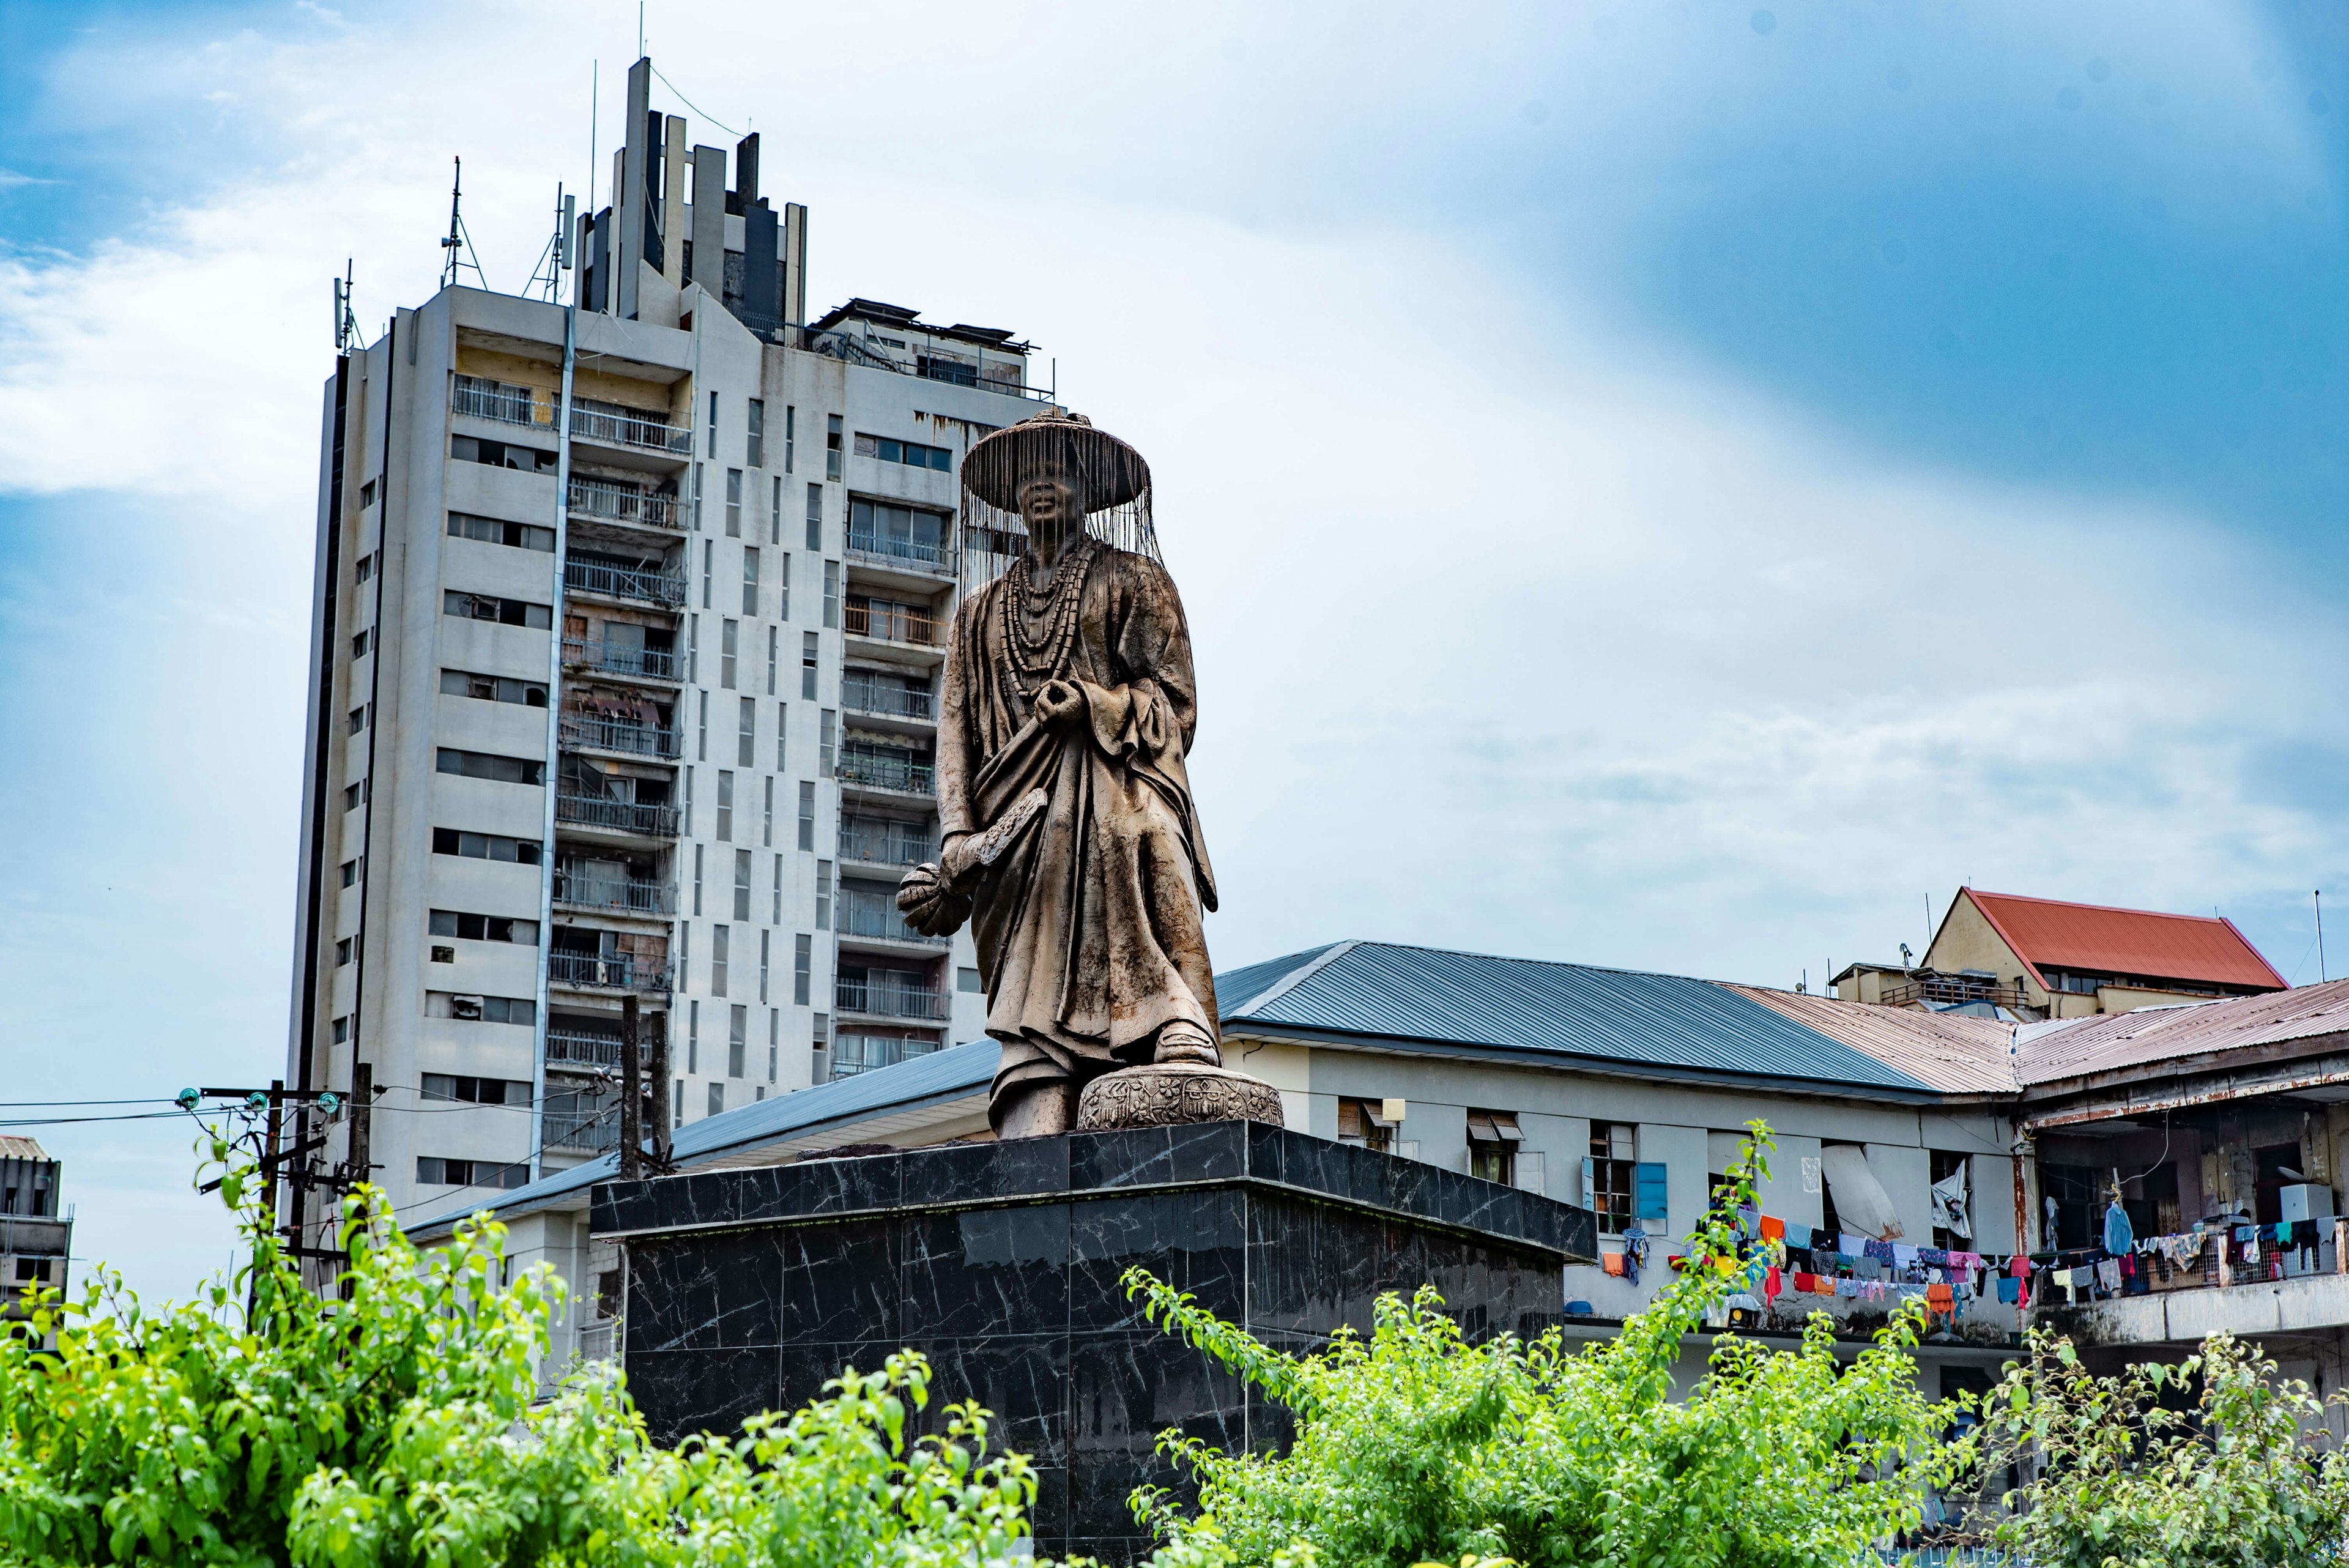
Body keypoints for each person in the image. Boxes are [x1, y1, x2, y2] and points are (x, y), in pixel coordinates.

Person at [896, 412, 1220, 1137]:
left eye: (1058, 472)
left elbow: (1178, 706)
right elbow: (953, 734)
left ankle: (1166, 1011)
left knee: (1133, 826)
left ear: (1085, 487)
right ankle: (1043, 1067)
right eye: (1029, 477)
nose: (1043, 488)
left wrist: (1096, 706)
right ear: (1012, 497)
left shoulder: (1133, 581)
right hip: (1017, 840)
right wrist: (957, 836)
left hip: (1115, 785)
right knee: (1036, 1118)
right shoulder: (981, 614)